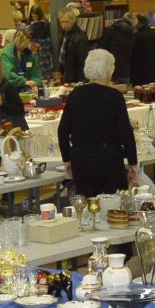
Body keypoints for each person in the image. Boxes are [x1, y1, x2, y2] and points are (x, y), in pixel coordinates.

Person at [58, 49, 139, 198]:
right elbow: (125, 132)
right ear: (109, 70)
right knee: (115, 204)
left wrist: (67, 159)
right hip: (109, 158)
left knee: (88, 205)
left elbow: (63, 131)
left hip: (82, 159)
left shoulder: (75, 95)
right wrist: (133, 162)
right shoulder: (114, 96)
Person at [101, 15, 136, 86]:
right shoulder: (132, 33)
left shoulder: (109, 30)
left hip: (111, 69)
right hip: (127, 70)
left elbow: (102, 50)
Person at [57, 7, 89, 84]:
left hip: (76, 77)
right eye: (62, 22)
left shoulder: (80, 36)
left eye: (66, 22)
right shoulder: (63, 33)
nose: (64, 25)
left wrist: (81, 81)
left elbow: (83, 61)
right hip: (66, 74)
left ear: (73, 20)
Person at [130, 11, 155, 85]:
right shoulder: (153, 33)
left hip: (140, 73)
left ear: (138, 22)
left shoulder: (138, 36)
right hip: (152, 71)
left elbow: (135, 55)